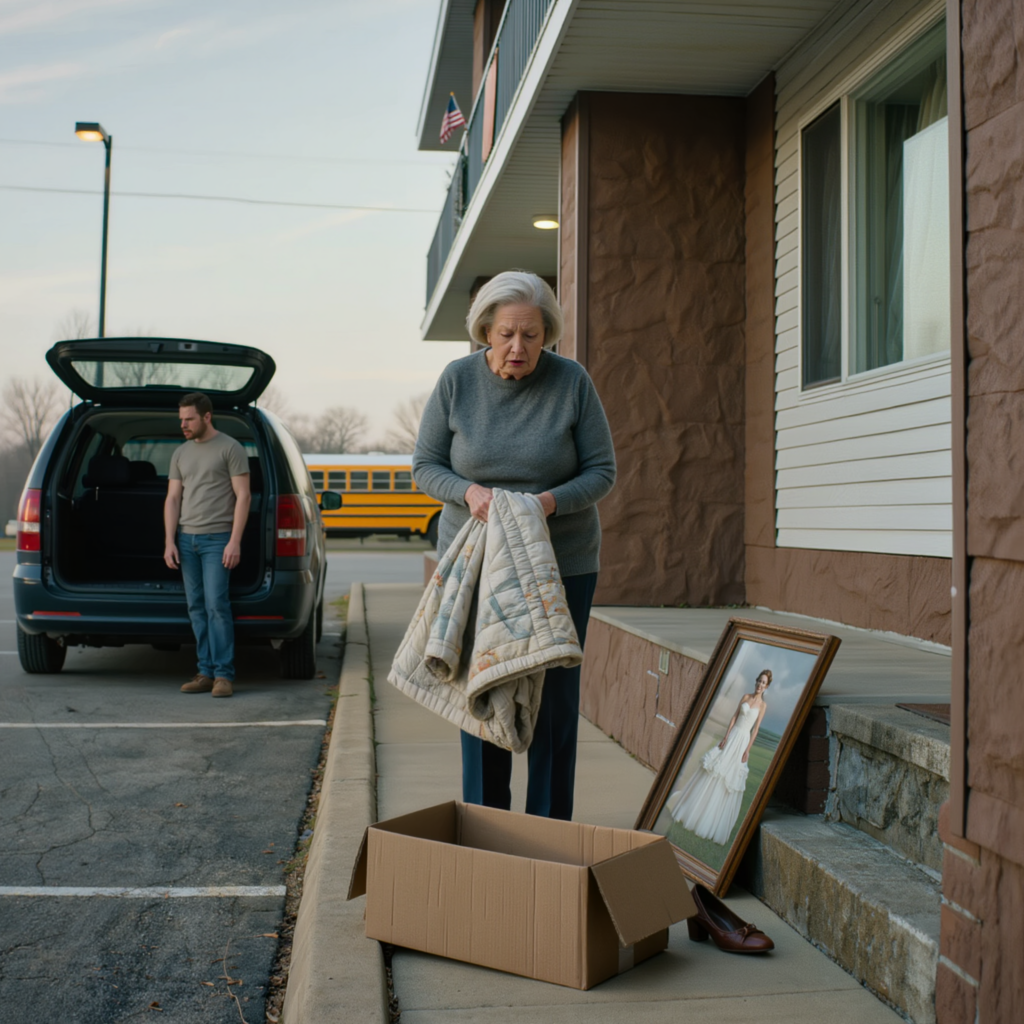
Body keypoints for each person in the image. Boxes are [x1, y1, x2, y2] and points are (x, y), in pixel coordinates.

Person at [412, 270, 616, 820]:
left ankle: (549, 836)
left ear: (548, 332)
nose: (518, 348)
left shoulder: (572, 382)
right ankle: (487, 831)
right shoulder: (456, 381)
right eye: (505, 334)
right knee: (482, 693)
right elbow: (424, 466)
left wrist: (543, 504)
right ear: (485, 330)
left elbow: (602, 472)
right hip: (475, 563)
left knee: (552, 705)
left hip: (561, 564)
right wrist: (469, 492)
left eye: (531, 335)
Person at [163, 392, 251, 698]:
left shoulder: (230, 448)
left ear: (207, 417)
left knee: (216, 606)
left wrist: (234, 541)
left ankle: (224, 676)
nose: (183, 425)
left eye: (189, 419)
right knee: (196, 608)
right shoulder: (180, 453)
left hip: (218, 541)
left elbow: (244, 497)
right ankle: (205, 672)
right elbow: (173, 499)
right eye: (181, 420)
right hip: (186, 540)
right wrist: (169, 542)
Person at [667, 669, 772, 844]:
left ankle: (710, 820)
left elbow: (756, 729)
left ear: (767, 686)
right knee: (713, 770)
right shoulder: (746, 697)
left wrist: (748, 750)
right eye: (759, 681)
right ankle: (694, 810)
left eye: (764, 683)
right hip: (732, 737)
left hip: (742, 741)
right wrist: (726, 736)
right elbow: (734, 717)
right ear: (756, 682)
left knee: (727, 778)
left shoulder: (763, 706)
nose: (760, 685)